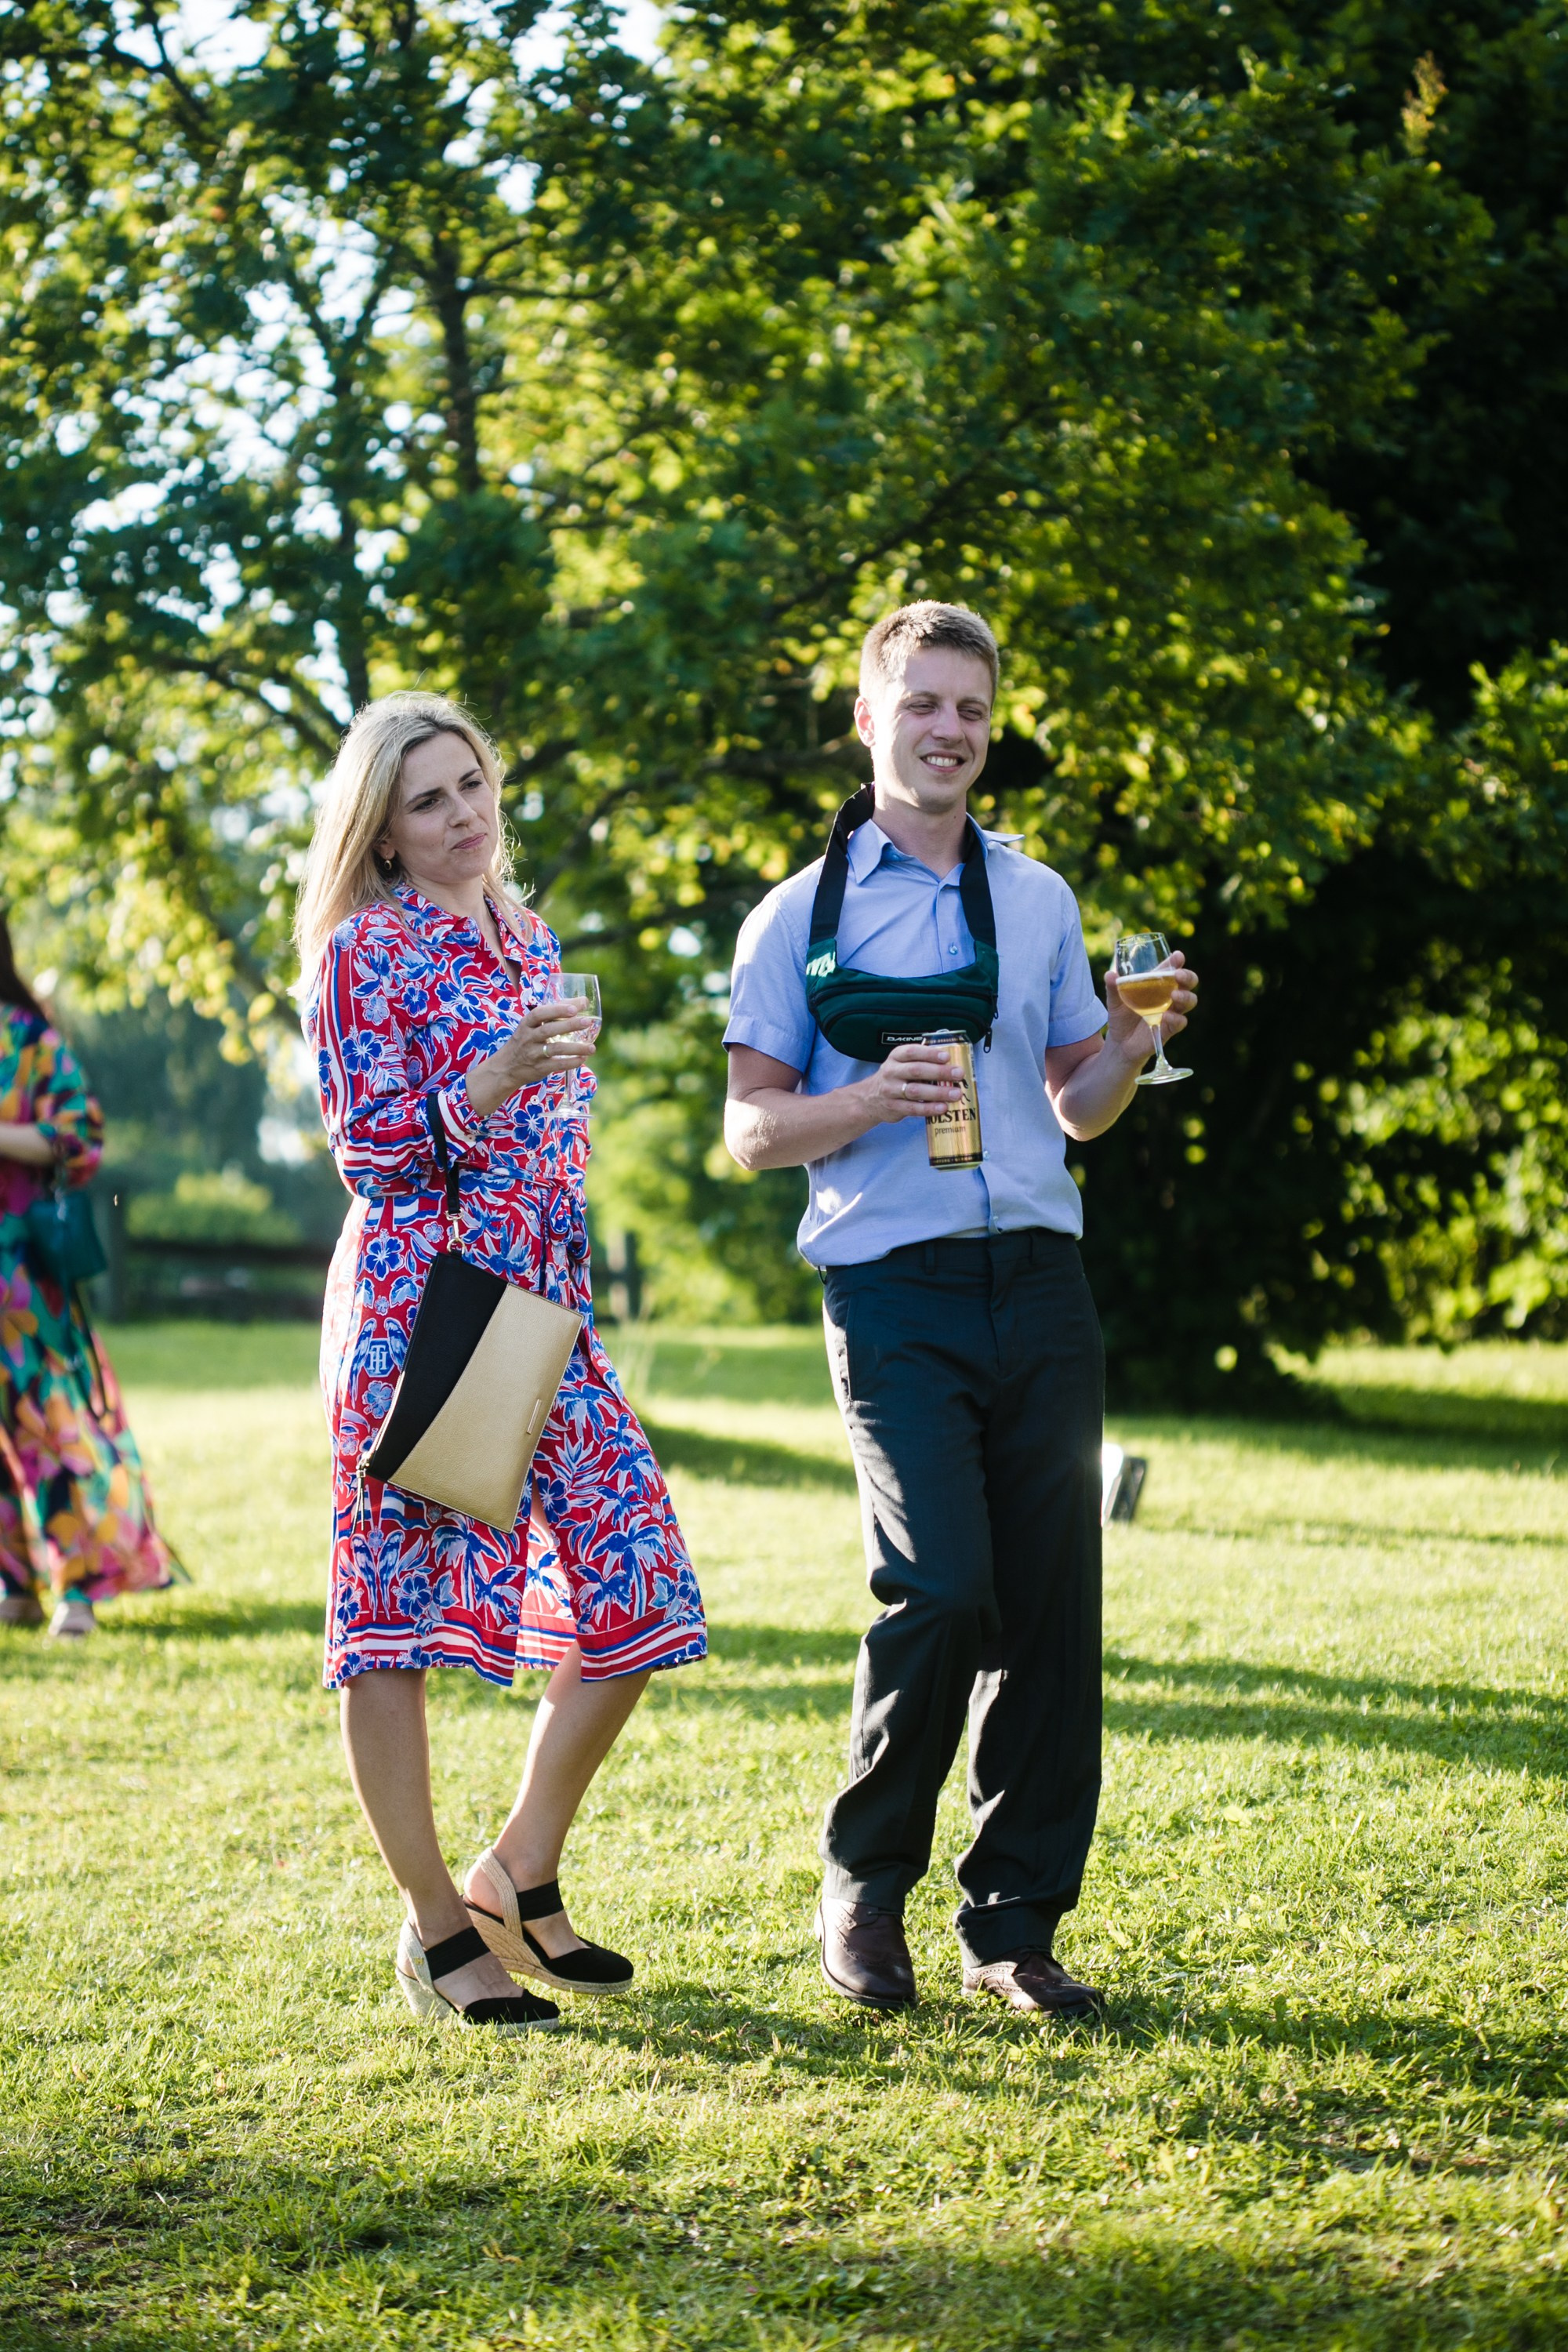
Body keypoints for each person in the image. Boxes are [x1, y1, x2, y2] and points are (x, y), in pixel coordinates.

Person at [724, 601, 1199, 2016]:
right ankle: (866, 1889)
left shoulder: (1039, 898)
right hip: (894, 1292)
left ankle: (1014, 1928)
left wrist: (1131, 1043)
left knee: (1052, 1607)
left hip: (1042, 1286)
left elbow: (1077, 1105)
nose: (950, 731)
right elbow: (751, 1130)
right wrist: (868, 1099)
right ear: (869, 719)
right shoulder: (794, 918)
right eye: (923, 704)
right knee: (938, 1588)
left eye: (972, 710)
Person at [296, 690, 706, 2034]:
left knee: (640, 1577)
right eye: (427, 800)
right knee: (390, 1627)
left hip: (543, 1312)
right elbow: (372, 1155)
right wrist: (491, 1079)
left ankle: (516, 1871)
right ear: (384, 831)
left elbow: (558, 1144)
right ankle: (437, 1931)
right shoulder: (364, 952)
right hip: (424, 1315)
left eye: (471, 783)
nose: (462, 814)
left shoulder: (530, 940)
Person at [0, 918, 176, 1639]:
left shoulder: (26, 1038)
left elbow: (80, 1135)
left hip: (18, 1273)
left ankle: (78, 1588)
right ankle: (13, 1586)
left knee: (46, 1421)